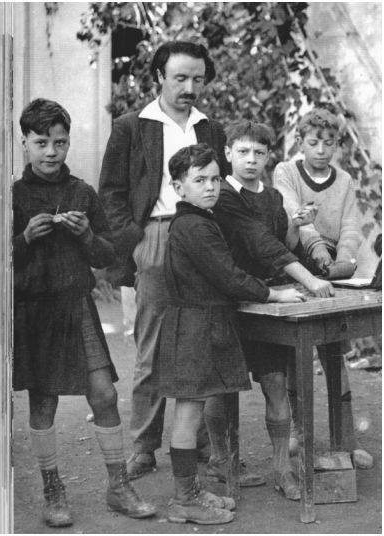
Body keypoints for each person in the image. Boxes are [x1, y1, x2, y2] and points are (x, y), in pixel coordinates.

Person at [13, 99, 156, 528]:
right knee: (43, 402)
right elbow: (0, 258)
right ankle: (52, 489)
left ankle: (118, 486)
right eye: (41, 143)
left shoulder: (81, 193)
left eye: (60, 142)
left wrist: (87, 232)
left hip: (77, 309)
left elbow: (107, 254)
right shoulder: (13, 195)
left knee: (105, 395)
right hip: (34, 312)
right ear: (25, 144)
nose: (52, 152)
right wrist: (24, 237)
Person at [153, 143, 305, 524]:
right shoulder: (194, 226)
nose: (210, 187)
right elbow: (227, 276)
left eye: (215, 179)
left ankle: (191, 492)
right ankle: (184, 499)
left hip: (200, 324)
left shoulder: (201, 221)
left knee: (195, 409)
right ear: (177, 187)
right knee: (188, 413)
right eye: (199, 180)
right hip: (194, 327)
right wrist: (273, 292)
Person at [98, 41, 229, 480]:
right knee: (151, 344)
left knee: (203, 339)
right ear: (158, 77)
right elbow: (112, 195)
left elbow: (221, 189)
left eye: (197, 79)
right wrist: (138, 244)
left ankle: (203, 442)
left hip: (202, 238)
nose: (189, 87)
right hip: (154, 237)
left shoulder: (210, 128)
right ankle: (144, 445)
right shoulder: (132, 126)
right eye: (180, 78)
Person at [203, 120, 335, 501]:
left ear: (268, 157)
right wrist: (310, 282)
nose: (250, 160)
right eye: (242, 152)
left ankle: (282, 468)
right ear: (228, 154)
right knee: (220, 389)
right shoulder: (223, 195)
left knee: (275, 384)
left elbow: (283, 245)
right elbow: (259, 244)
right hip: (227, 301)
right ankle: (221, 459)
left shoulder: (274, 197)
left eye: (259, 153)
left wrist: (296, 227)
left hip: (267, 302)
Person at [273, 108, 374, 469]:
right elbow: (293, 214)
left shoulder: (344, 179)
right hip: (298, 267)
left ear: (337, 145)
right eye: (313, 142)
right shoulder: (285, 172)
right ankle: (300, 432)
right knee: (296, 356)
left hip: (334, 271)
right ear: (300, 142)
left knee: (336, 353)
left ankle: (346, 440)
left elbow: (350, 223)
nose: (320, 149)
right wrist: (317, 252)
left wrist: (344, 259)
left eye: (328, 143)